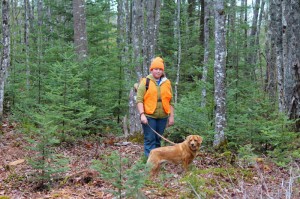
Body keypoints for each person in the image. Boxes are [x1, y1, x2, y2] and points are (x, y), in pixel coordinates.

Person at [136, 57, 174, 158]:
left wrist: (171, 117)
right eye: (156, 69)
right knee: (150, 139)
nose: (158, 71)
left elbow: (171, 101)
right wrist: (142, 115)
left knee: (158, 139)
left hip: (163, 116)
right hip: (149, 116)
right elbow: (139, 100)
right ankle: (149, 163)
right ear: (151, 69)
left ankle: (158, 161)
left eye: (160, 69)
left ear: (163, 71)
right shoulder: (145, 82)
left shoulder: (167, 83)